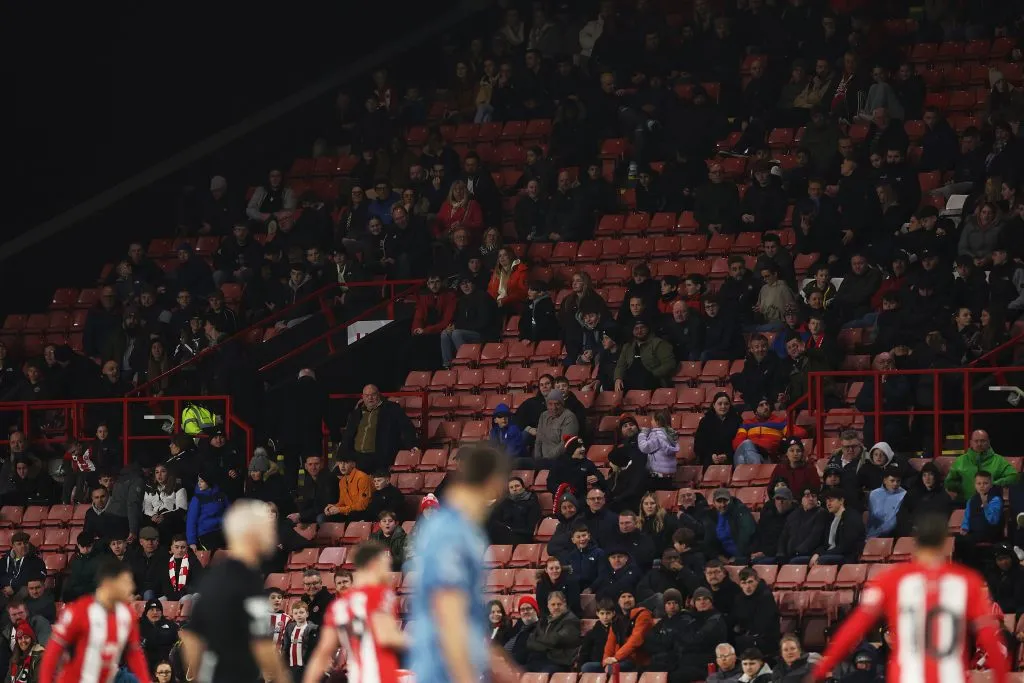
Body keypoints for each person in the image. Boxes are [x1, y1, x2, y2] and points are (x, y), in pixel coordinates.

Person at [810, 512, 1010, 683]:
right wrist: (1001, 677)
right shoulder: (967, 582)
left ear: (916, 542)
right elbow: (989, 636)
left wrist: (820, 670)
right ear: (944, 543)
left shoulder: (892, 580)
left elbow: (854, 628)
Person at [408, 444, 519, 683]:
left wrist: (490, 658)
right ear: (495, 483)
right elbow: (449, 616)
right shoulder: (452, 533)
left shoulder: (457, 528)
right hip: (444, 672)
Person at [181, 500, 292, 683]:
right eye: (267, 528)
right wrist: (282, 678)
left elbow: (192, 639)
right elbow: (262, 645)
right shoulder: (246, 580)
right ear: (252, 534)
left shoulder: (213, 576)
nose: (272, 533)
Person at [303, 541, 406, 683]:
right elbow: (386, 636)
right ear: (374, 564)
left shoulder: (338, 607)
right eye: (385, 565)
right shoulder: (381, 593)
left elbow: (321, 654)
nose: (388, 570)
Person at [38, 558, 150, 683]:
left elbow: (134, 653)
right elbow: (52, 653)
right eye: (126, 582)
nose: (132, 587)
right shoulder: (78, 611)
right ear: (109, 583)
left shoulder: (128, 615)